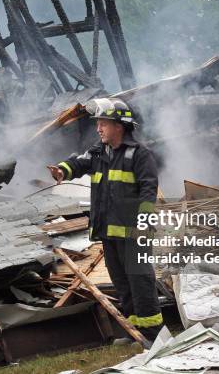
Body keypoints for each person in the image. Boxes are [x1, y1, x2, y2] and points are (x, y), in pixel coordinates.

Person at [47, 98, 163, 343]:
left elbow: (148, 190)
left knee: (140, 283)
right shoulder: (99, 153)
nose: (98, 128)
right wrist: (61, 170)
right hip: (110, 233)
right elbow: (78, 163)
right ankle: (135, 334)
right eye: (98, 123)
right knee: (122, 285)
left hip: (134, 234)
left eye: (103, 124)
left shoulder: (140, 155)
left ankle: (153, 336)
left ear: (119, 126)